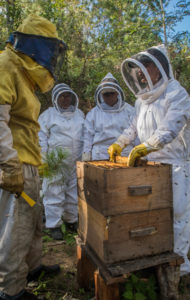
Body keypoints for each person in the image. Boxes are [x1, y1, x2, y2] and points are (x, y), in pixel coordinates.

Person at [0, 15, 67, 300]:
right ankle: (11, 290)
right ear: (36, 45)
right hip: (16, 163)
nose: (52, 57)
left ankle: (32, 268)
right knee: (15, 230)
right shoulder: (6, 65)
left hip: (29, 164)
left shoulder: (24, 74)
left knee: (33, 222)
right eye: (50, 50)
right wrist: (9, 164)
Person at [108, 44, 190, 276]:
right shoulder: (141, 100)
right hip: (148, 167)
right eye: (139, 68)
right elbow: (133, 126)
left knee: (177, 217)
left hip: (173, 167)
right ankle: (155, 259)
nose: (141, 72)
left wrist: (147, 146)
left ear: (160, 68)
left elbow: (171, 127)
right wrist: (121, 142)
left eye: (147, 66)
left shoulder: (177, 93)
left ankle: (179, 268)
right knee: (151, 216)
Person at [38, 83, 84, 240]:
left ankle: (71, 221)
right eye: (61, 96)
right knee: (53, 192)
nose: (65, 99)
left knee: (73, 192)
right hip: (55, 162)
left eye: (68, 96)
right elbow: (41, 137)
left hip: (75, 161)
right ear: (55, 98)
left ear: (73, 97)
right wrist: (43, 158)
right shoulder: (48, 115)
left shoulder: (79, 114)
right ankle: (54, 225)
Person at [82, 73, 135, 161]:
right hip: (100, 154)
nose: (109, 96)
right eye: (106, 94)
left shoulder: (129, 110)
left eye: (111, 93)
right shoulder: (93, 113)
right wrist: (86, 153)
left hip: (124, 153)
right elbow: (88, 136)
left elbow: (135, 133)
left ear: (117, 92)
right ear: (101, 95)